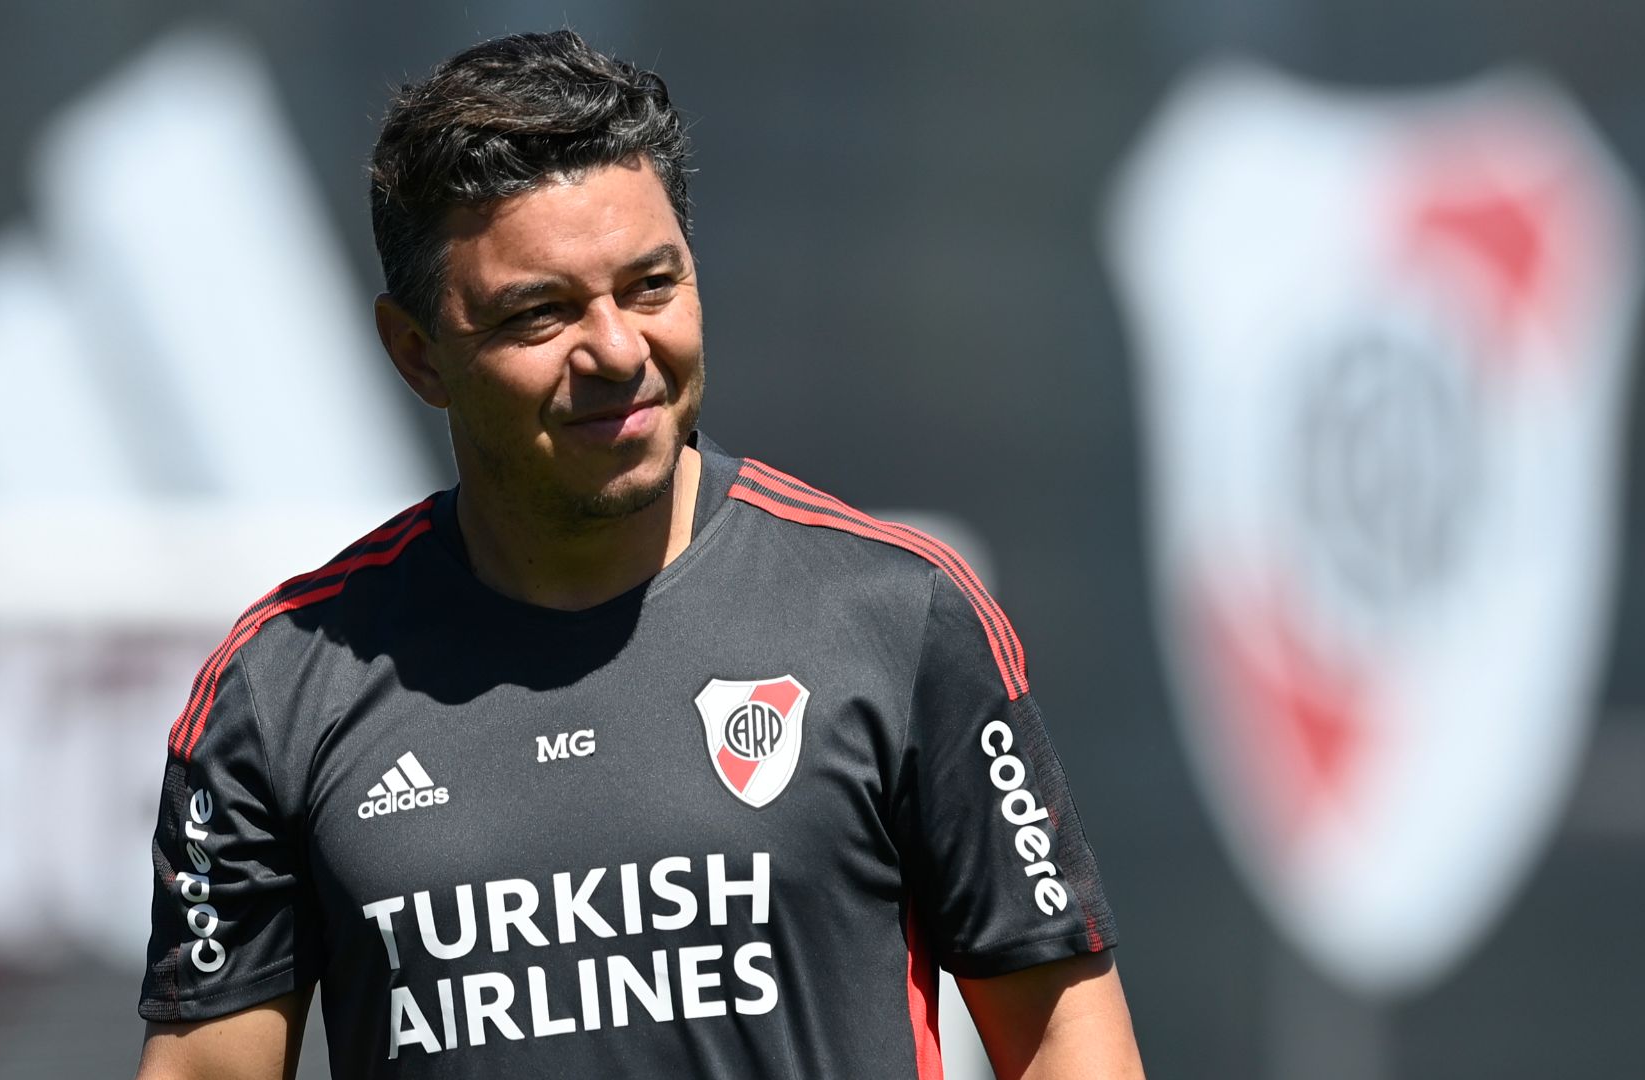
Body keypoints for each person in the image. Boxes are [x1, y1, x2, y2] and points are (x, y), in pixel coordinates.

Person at [135, 29, 1142, 1080]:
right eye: (542, 312)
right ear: (417, 352)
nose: (618, 350)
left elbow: (1072, 1044)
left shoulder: (898, 619)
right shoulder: (282, 691)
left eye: (651, 286)